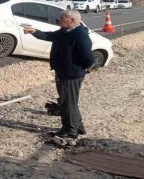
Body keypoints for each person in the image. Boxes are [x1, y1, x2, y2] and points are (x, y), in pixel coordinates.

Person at [23, 9, 94, 139]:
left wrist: (83, 68)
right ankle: (78, 126)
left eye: (61, 19)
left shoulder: (80, 35)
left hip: (71, 75)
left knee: (67, 103)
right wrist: (34, 31)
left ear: (72, 20)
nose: (58, 21)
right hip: (63, 73)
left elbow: (89, 58)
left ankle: (70, 130)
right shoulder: (65, 31)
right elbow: (49, 36)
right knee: (69, 102)